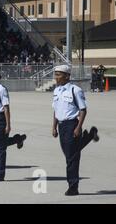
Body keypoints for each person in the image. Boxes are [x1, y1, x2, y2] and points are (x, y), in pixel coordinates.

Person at [52, 65, 99, 196]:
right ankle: (90, 136)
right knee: (69, 153)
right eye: (55, 74)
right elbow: (56, 110)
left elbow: (83, 110)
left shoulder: (75, 90)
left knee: (71, 157)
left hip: (72, 124)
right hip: (61, 126)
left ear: (67, 76)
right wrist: (54, 126)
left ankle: (73, 186)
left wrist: (78, 127)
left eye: (59, 74)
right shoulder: (57, 91)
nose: (56, 77)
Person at [0, 66, 27, 181]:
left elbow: (6, 107)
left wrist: (8, 124)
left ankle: (0, 174)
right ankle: (18, 139)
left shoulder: (1, 89)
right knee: (0, 144)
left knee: (0, 147)